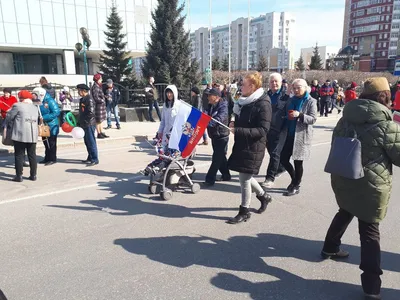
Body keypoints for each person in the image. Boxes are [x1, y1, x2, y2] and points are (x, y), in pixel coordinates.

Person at [321, 77, 400, 300]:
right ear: (384, 96)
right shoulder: (387, 125)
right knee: (369, 231)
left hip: (344, 175)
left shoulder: (344, 119)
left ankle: (330, 247)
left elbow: (336, 143)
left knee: (345, 209)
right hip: (371, 184)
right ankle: (371, 286)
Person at [227, 72, 273, 224]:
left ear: (252, 87)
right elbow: (240, 117)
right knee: (245, 176)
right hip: (243, 143)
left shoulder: (263, 103)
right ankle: (263, 195)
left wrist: (238, 130)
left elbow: (263, 130)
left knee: (244, 179)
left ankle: (244, 211)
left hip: (254, 146)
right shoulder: (245, 101)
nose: (241, 87)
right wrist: (234, 123)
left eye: (243, 84)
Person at [280, 78, 317, 196]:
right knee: (283, 159)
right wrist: (287, 117)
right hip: (289, 134)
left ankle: (296, 185)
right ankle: (294, 179)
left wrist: (300, 115)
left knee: (298, 162)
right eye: (294, 88)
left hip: (301, 136)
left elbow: (313, 119)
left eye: (298, 88)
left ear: (305, 88)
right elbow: (284, 111)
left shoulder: (311, 101)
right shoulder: (291, 100)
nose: (296, 90)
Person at [262, 73, 290, 188]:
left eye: (276, 81)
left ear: (280, 82)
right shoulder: (265, 95)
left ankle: (270, 178)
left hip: (281, 129)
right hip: (268, 129)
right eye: (272, 81)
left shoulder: (286, 96)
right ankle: (281, 167)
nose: (274, 83)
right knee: (271, 152)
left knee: (274, 153)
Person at [5, 90, 38, 182]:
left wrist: (9, 111)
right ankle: (33, 175)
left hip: (20, 134)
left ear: (21, 98)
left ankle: (19, 176)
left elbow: (9, 117)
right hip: (32, 134)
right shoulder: (35, 107)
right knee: (32, 155)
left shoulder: (17, 106)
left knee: (19, 155)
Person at [203, 87, 231, 186]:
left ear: (216, 97)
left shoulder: (223, 105)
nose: (208, 97)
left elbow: (219, 119)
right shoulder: (210, 105)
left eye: (210, 95)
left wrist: (207, 123)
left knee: (216, 158)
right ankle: (226, 175)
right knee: (221, 157)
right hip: (214, 135)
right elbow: (205, 115)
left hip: (222, 135)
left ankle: (210, 179)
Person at [77, 84, 99, 166]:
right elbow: (82, 112)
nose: (78, 92)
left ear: (83, 91)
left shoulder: (89, 99)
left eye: (79, 90)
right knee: (87, 142)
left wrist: (84, 121)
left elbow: (91, 113)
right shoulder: (83, 99)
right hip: (84, 124)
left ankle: (95, 159)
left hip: (89, 123)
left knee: (91, 142)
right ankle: (90, 157)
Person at [39, 91, 60, 166]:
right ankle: (47, 157)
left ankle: (52, 158)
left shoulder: (50, 101)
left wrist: (44, 117)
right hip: (43, 125)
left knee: (52, 142)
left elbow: (56, 112)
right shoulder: (38, 101)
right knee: (45, 141)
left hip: (51, 124)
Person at [91, 73, 108, 139]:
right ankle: (99, 133)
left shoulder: (98, 86)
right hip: (98, 106)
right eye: (100, 78)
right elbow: (96, 97)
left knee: (101, 120)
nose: (102, 80)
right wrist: (102, 101)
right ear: (97, 79)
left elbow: (101, 95)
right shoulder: (95, 87)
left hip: (101, 106)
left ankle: (101, 132)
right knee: (98, 121)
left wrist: (106, 97)